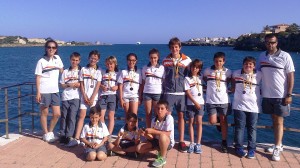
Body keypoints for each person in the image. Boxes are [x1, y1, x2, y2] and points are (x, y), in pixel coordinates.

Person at [257, 33, 295, 161]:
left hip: (281, 95)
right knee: (274, 120)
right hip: (267, 95)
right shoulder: (262, 56)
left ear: (277, 43)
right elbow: (256, 73)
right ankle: (278, 144)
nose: (270, 45)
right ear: (265, 43)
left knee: (279, 121)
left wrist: (289, 94)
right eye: (268, 42)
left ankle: (278, 147)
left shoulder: (285, 56)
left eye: (272, 42)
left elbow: (291, 76)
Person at [162, 37, 191, 152]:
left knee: (181, 117)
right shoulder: (165, 61)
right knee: (167, 117)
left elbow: (190, 75)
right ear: (170, 48)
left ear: (180, 47)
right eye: (172, 47)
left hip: (181, 93)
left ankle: (182, 141)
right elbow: (163, 77)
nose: (174, 49)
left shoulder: (187, 60)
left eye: (176, 47)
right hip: (169, 92)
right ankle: (168, 139)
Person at [67, 50, 102, 147]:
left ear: (98, 60)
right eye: (91, 58)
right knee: (81, 116)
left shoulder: (99, 71)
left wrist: (92, 97)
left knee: (95, 117)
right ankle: (77, 138)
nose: (93, 60)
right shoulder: (83, 69)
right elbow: (81, 84)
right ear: (88, 58)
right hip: (84, 97)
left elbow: (98, 86)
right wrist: (85, 96)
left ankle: (95, 137)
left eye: (95, 58)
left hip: (93, 98)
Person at [232, 56, 262, 159]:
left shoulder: (259, 74)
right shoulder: (236, 73)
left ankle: (251, 149)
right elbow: (230, 80)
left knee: (252, 129)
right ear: (242, 64)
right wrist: (232, 88)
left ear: (254, 66)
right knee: (239, 128)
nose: (248, 66)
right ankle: (239, 147)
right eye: (246, 64)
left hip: (254, 107)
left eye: (250, 64)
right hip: (239, 105)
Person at [35, 40, 63, 142]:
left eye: (53, 47)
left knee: (57, 114)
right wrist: (38, 92)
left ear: (56, 49)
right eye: (49, 47)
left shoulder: (58, 58)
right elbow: (38, 77)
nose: (51, 49)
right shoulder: (41, 61)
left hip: (55, 90)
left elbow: (62, 69)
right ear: (46, 48)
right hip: (44, 91)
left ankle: (50, 131)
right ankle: (46, 133)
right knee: (44, 113)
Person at [203, 52, 232, 153]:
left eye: (220, 61)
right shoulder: (208, 70)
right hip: (211, 100)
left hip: (224, 100)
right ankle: (218, 119)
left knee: (224, 121)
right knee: (212, 121)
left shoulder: (228, 72)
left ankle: (224, 142)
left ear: (224, 61)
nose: (218, 63)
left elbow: (229, 81)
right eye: (216, 61)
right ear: (213, 61)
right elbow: (204, 78)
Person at [136, 100, 175, 168]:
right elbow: (152, 137)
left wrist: (153, 131)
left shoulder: (169, 118)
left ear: (166, 110)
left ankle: (162, 158)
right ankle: (159, 150)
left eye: (162, 108)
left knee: (162, 136)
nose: (159, 110)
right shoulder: (154, 120)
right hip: (156, 141)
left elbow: (168, 134)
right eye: (158, 108)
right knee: (139, 149)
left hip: (167, 142)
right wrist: (144, 134)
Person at [59, 52, 81, 144]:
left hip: (76, 96)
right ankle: (62, 134)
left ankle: (69, 135)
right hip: (65, 96)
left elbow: (83, 84)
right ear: (70, 60)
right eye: (73, 60)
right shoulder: (65, 71)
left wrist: (78, 84)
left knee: (72, 116)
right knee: (64, 116)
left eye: (76, 60)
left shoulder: (81, 71)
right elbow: (61, 85)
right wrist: (68, 84)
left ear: (79, 61)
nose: (74, 62)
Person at [184, 59, 205, 154]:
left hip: (201, 103)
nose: (194, 69)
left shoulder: (201, 78)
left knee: (199, 122)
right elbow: (188, 93)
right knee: (191, 123)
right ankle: (192, 143)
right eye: (193, 67)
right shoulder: (187, 79)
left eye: (197, 67)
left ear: (199, 69)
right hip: (191, 104)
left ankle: (198, 143)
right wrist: (195, 102)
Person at [141, 48, 165, 128]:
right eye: (151, 57)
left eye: (155, 57)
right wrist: (140, 95)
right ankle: (148, 131)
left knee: (157, 114)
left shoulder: (162, 68)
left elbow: (164, 81)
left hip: (157, 93)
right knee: (148, 113)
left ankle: (156, 131)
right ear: (149, 58)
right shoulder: (145, 68)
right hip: (147, 92)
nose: (153, 59)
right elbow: (143, 81)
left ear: (158, 58)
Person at [98, 56, 119, 135]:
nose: (109, 66)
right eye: (107, 64)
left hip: (113, 96)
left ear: (115, 64)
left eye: (111, 64)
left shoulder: (118, 73)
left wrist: (116, 87)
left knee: (111, 116)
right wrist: (101, 86)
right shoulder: (103, 72)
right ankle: (104, 132)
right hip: (103, 96)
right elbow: (99, 83)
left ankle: (109, 134)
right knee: (101, 115)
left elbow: (120, 84)